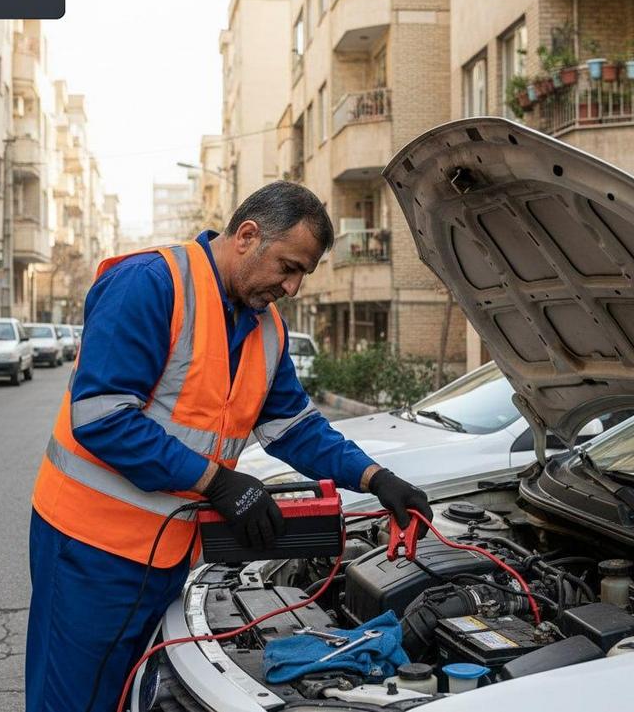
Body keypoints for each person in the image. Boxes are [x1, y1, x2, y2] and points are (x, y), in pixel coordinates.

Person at [25, 182, 433, 712]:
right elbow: (101, 417)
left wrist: (377, 479)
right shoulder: (151, 284)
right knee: (74, 702)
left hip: (168, 554)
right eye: (288, 267)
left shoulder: (266, 329)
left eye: (303, 275)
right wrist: (217, 482)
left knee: (130, 696)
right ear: (247, 236)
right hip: (89, 548)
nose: (293, 288)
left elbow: (296, 429)